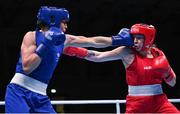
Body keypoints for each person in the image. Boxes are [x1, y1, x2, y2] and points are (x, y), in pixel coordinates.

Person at [5, 6, 132, 113]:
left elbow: (93, 41)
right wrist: (46, 45)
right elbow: (27, 67)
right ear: (53, 20)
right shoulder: (31, 36)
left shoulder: (65, 40)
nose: (66, 26)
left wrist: (117, 40)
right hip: (19, 91)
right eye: (64, 22)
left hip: (40, 95)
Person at [64, 23, 179, 113]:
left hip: (160, 103)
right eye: (134, 37)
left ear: (148, 38)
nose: (135, 41)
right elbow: (98, 56)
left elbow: (173, 83)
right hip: (136, 106)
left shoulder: (159, 54)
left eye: (139, 38)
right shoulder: (127, 52)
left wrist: (167, 72)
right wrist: (68, 49)